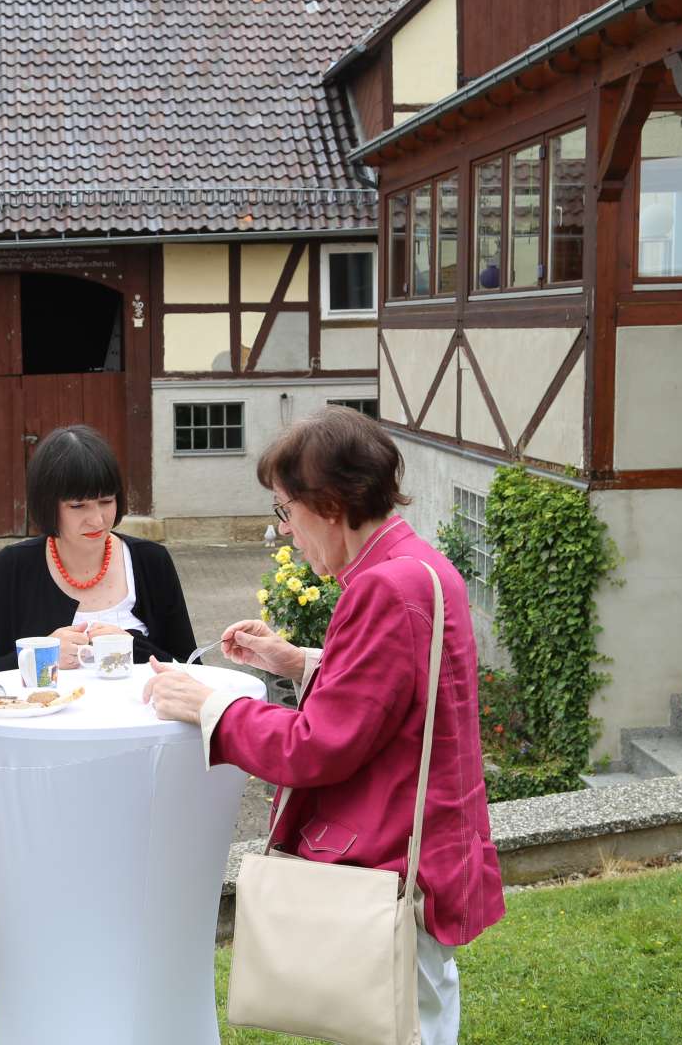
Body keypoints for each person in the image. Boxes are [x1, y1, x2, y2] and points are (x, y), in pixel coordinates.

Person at [144, 405, 504, 1045]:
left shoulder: (383, 588)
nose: (284, 531)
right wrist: (297, 660)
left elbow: (318, 748)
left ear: (330, 503)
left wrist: (209, 707)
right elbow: (400, 692)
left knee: (402, 1026)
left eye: (286, 509)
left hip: (395, 859)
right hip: (428, 850)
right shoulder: (417, 564)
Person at [0, 425, 195, 673]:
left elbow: (192, 667)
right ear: (47, 505)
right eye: (78, 506)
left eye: (106, 501)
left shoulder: (151, 561)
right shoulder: (12, 567)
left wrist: (132, 647)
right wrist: (42, 655)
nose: (98, 520)